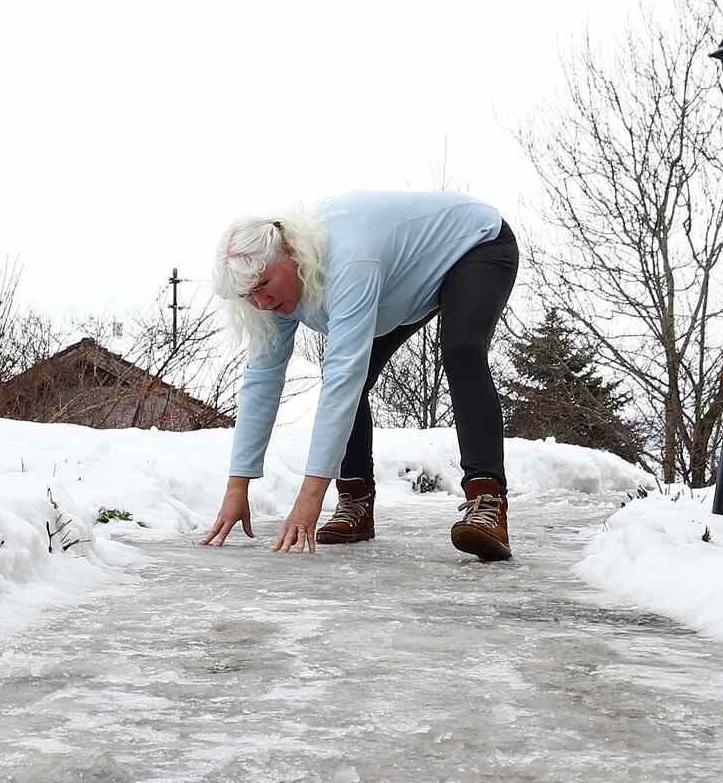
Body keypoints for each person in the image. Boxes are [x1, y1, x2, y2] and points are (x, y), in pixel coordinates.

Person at [199, 191, 520, 561]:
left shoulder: (349, 258)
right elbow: (262, 380)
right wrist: (237, 487)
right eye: (249, 295)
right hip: (401, 286)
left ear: (289, 250)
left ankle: (487, 502)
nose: (261, 303)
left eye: (265, 285)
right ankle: (356, 503)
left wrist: (309, 499)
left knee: (461, 349)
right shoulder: (271, 294)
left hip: (476, 244)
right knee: (354, 377)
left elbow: (342, 378)